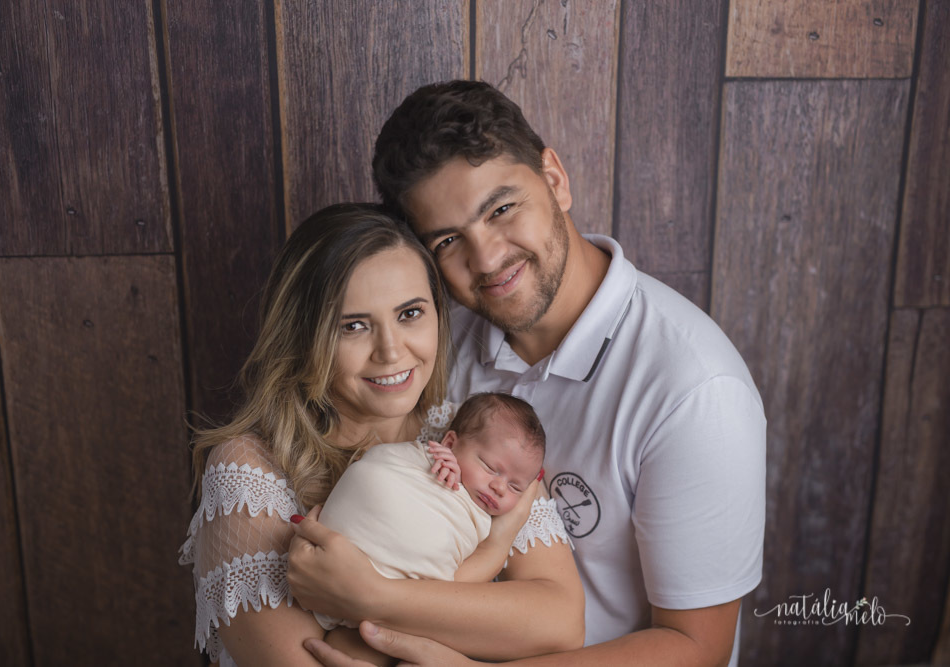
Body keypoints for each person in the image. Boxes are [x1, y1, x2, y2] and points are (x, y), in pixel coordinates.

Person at [291, 80, 767, 666]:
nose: (487, 259)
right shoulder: (431, 341)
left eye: (501, 209)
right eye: (448, 240)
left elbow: (698, 650)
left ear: (555, 179)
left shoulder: (693, 390)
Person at [178, 203, 583, 666]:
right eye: (353, 326)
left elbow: (561, 624)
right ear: (304, 335)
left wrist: (373, 596)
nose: (391, 352)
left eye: (410, 313)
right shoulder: (250, 468)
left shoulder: (478, 439)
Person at [314, 392, 554, 664]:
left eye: (515, 487)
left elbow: (457, 580)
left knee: (366, 642)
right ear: (450, 442)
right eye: (489, 467)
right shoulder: (437, 459)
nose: (499, 487)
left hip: (401, 599)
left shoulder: (485, 520)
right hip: (355, 547)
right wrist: (442, 460)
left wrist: (497, 540)